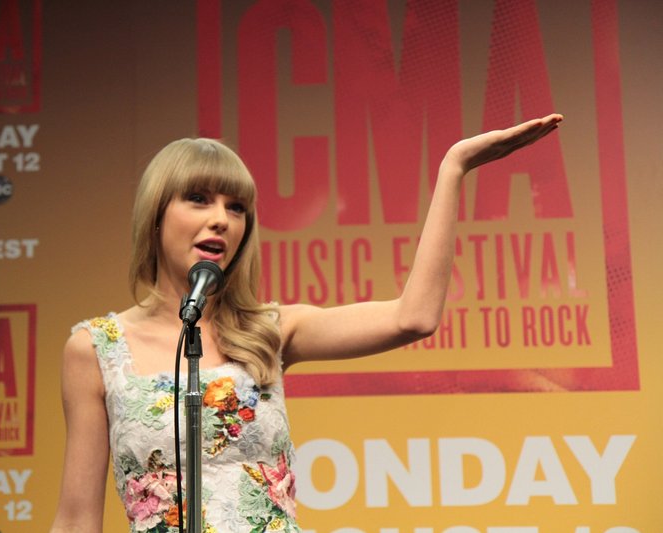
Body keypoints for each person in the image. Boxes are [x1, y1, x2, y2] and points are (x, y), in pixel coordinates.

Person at [49, 114, 564, 533]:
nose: (221, 220)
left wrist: (454, 168)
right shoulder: (96, 349)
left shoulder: (268, 331)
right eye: (199, 199)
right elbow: (75, 520)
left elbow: (414, 317)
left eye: (237, 207)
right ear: (156, 216)